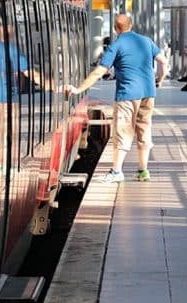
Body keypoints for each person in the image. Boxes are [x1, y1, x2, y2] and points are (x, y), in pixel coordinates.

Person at [64, 14, 166, 183]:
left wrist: (79, 89)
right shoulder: (146, 41)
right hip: (148, 93)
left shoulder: (116, 45)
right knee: (144, 130)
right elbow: (163, 62)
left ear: (115, 28)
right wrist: (159, 80)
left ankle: (117, 171)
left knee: (122, 132)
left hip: (127, 94)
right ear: (131, 24)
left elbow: (100, 71)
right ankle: (143, 170)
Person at [0, 25, 40, 105]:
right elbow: (29, 72)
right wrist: (47, 83)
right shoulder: (13, 51)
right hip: (6, 96)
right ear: (11, 37)